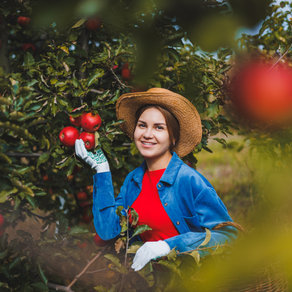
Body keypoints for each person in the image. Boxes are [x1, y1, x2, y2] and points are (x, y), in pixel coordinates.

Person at [75, 88, 239, 272]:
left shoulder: (188, 180)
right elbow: (108, 231)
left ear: (173, 137)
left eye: (159, 127)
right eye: (142, 125)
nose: (147, 134)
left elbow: (229, 236)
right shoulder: (133, 181)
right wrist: (101, 171)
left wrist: (169, 246)